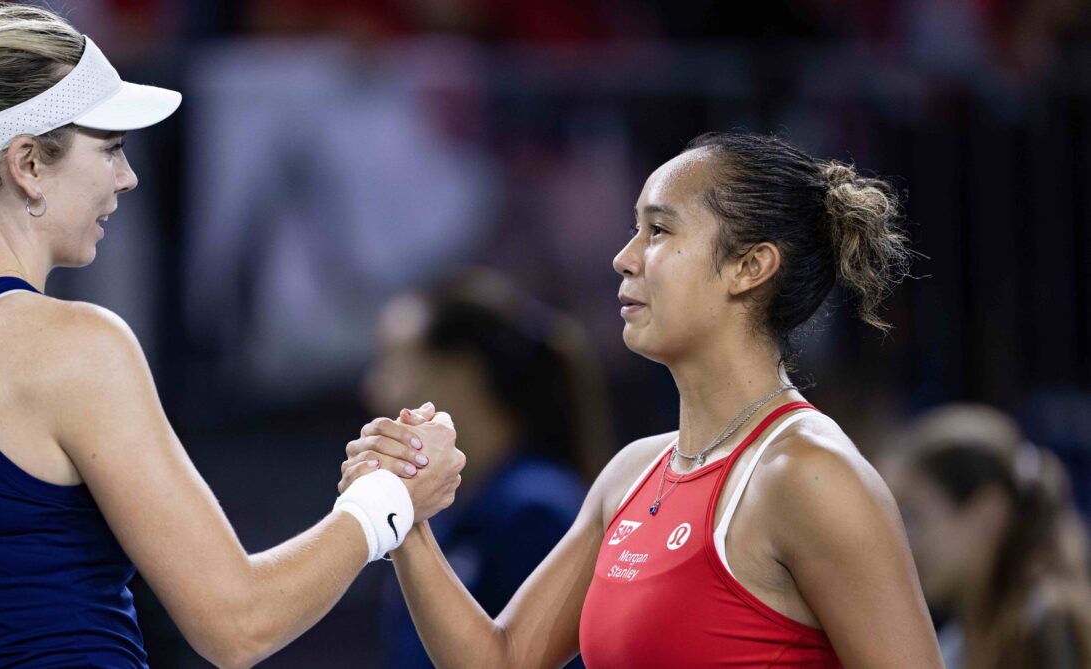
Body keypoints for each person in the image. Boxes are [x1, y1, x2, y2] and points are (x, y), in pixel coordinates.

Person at [0, 5, 463, 668]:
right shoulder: (78, 348)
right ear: (27, 163)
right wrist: (389, 500)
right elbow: (238, 622)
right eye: (109, 147)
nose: (126, 176)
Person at [342, 131, 946, 666]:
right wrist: (407, 518)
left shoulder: (809, 476)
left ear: (750, 266)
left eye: (658, 231)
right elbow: (502, 660)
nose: (623, 257)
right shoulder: (630, 475)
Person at [363, 269, 612, 668]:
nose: (373, 389)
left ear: (459, 375)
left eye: (395, 364)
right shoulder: (445, 512)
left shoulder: (538, 512)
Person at [884, 403, 1091, 669]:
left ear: (986, 514)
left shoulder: (1047, 626)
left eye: (914, 518)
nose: (906, 542)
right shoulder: (954, 641)